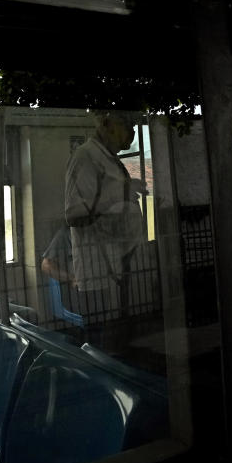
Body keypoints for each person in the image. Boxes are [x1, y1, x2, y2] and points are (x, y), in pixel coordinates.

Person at [64, 110, 145, 326]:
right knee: (103, 345)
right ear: (107, 123)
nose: (133, 130)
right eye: (127, 123)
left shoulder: (107, 158)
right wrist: (120, 194)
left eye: (134, 125)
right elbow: (74, 215)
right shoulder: (86, 156)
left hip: (117, 269)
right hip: (97, 276)